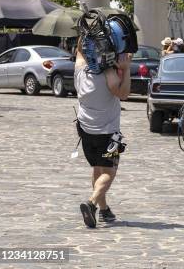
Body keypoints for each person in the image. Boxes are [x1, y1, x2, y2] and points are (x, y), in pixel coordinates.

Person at [75, 39, 132, 228]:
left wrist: (86, 34)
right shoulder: (109, 74)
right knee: (109, 172)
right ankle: (91, 204)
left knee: (97, 170)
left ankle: (104, 210)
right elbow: (123, 93)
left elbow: (80, 51)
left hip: (86, 132)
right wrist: (126, 67)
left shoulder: (80, 71)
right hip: (106, 133)